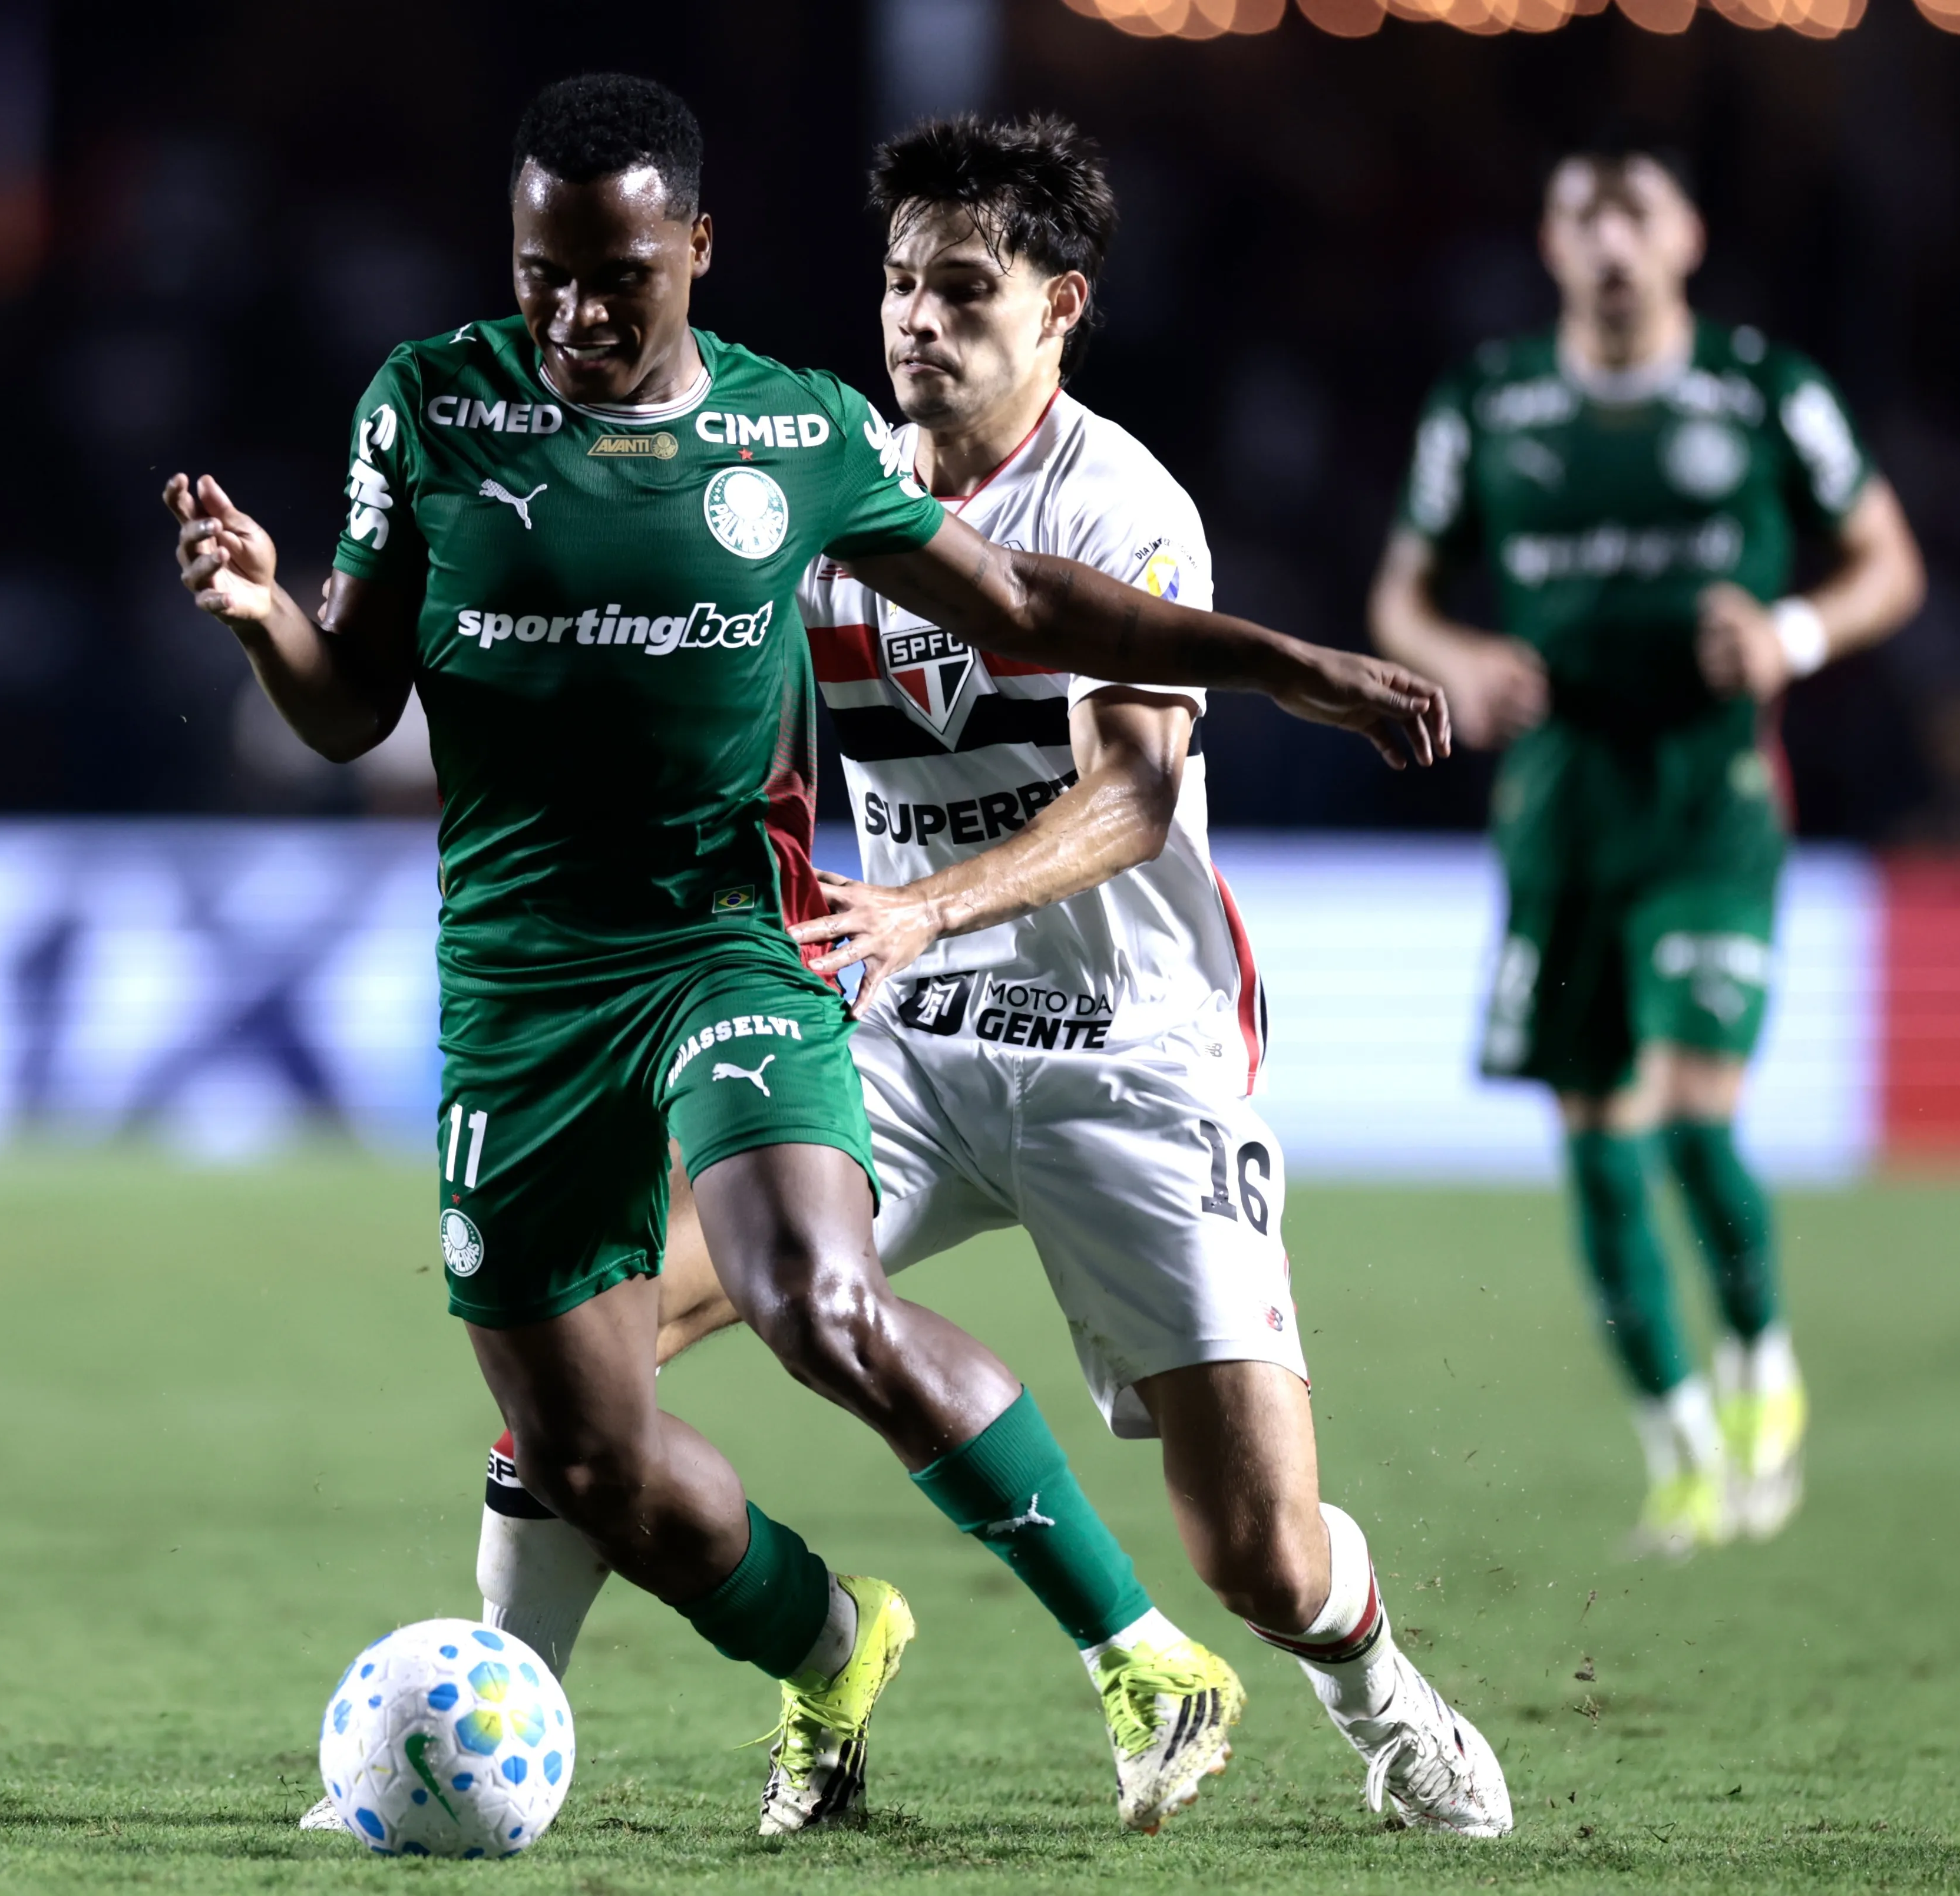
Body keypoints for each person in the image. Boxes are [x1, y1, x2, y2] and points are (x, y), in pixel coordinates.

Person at [172, 74, 1450, 1836]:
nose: (919, 320)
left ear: (1058, 310)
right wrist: (267, 617)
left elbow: (1127, 785)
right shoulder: (675, 432)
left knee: (1262, 1552)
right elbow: (358, 698)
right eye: (901, 283)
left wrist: (1280, 672)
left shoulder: (1071, 493)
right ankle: (589, 1687)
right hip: (875, 1018)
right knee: (585, 1388)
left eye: (964, 291)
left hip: (1112, 1041)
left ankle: (1344, 1688)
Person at [1369, 133, 1923, 1557]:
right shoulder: (1487, 403)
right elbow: (1401, 595)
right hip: (1561, 809)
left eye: (1637, 214)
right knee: (1595, 1137)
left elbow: (1888, 561)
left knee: (1685, 1111)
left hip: (1709, 799)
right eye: (1583, 216)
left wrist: (1792, 632)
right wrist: (1459, 661)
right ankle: (1678, 1448)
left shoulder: (1762, 390)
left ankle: (1761, 1358)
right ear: (1552, 247)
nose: (1611, 240)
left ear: (1685, 239)